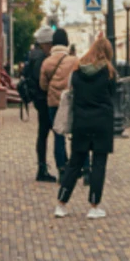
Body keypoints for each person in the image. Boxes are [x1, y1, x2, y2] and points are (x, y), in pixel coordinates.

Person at [55, 36, 118, 220]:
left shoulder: (77, 71)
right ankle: (93, 205)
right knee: (99, 163)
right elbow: (113, 93)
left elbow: (72, 92)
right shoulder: (109, 72)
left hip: (81, 122)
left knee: (74, 163)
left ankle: (61, 204)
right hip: (102, 123)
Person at [21, 25, 59, 182]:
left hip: (38, 99)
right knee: (51, 132)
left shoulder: (33, 55)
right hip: (43, 100)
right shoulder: (41, 58)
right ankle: (43, 169)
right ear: (45, 43)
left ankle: (42, 167)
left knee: (43, 134)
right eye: (51, 44)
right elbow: (41, 81)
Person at [41, 27, 77, 180]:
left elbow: (42, 85)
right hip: (71, 103)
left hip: (53, 104)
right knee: (76, 135)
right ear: (66, 43)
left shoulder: (47, 62)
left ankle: (61, 169)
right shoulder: (74, 60)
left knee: (58, 136)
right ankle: (78, 167)